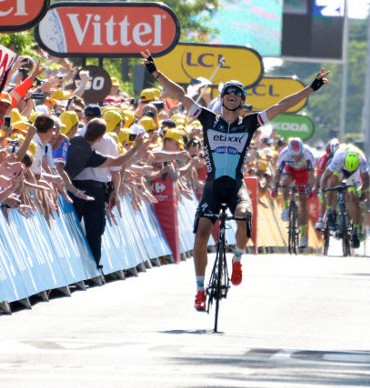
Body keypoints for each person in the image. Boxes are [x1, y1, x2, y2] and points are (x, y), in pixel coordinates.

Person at [141, 50, 329, 311]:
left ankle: (237, 260)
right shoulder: (208, 118)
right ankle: (198, 291)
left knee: (243, 215)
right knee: (201, 235)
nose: (232, 95)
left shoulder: (250, 122)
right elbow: (180, 95)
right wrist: (156, 73)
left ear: (242, 101)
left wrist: (311, 88)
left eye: (237, 93)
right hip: (213, 187)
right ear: (222, 98)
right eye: (228, 92)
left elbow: (282, 105)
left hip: (236, 187)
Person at [65, 118, 148, 269]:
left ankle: (78, 267)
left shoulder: (75, 139)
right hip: (92, 190)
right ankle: (93, 265)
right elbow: (117, 164)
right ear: (100, 137)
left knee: (75, 229)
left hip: (74, 188)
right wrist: (136, 147)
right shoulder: (92, 150)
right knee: (94, 231)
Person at [318, 144, 370, 248]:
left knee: (355, 199)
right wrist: (322, 191)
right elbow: (324, 177)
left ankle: (355, 231)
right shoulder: (338, 158)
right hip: (340, 170)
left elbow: (366, 181)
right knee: (331, 184)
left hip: (354, 174)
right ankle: (330, 212)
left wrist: (360, 190)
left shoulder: (361, 159)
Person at [272, 137, 315, 248]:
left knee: (303, 201)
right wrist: (275, 187)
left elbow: (311, 176)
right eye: (293, 155)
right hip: (290, 170)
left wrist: (309, 188)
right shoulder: (284, 154)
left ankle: (303, 236)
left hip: (303, 172)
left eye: (298, 155)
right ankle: (286, 207)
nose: (296, 158)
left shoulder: (308, 154)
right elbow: (278, 173)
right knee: (285, 182)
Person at [314, 138, 340, 230]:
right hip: (326, 178)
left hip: (339, 177)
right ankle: (321, 219)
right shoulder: (324, 158)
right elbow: (319, 174)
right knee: (324, 194)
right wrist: (318, 186)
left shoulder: (341, 156)